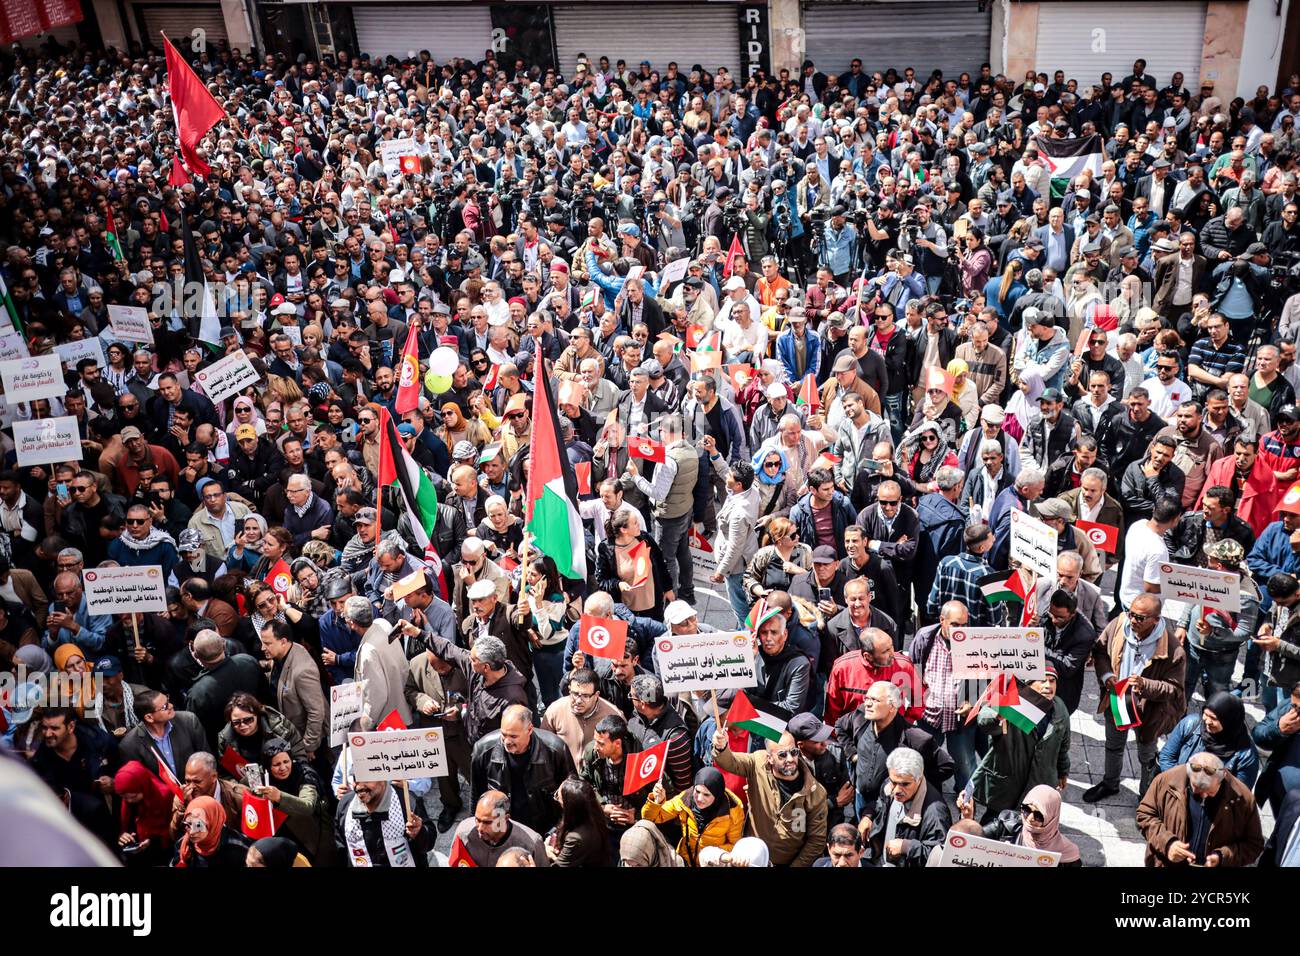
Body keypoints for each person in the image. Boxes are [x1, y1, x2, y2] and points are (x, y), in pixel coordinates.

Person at [1085, 593, 1187, 803]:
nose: (1133, 620)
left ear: (1156, 619)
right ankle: (1110, 783)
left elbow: (1175, 689)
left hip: (1150, 711)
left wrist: (1144, 685)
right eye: (1131, 614)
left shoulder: (1173, 649)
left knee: (1147, 756)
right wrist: (1107, 676)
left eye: (1140, 618)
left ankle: (1146, 798)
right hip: (1118, 700)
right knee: (1113, 745)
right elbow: (1101, 651)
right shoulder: (1118, 625)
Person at [710, 723, 828, 867]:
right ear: (770, 758)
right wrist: (721, 747)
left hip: (788, 862)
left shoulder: (815, 792)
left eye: (794, 752)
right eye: (782, 755)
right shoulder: (757, 763)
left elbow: (816, 840)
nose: (790, 759)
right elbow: (730, 761)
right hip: (751, 858)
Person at [971, 669, 1071, 820]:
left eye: (1052, 681)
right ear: (1029, 684)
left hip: (1038, 784)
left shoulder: (1060, 708)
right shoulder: (1012, 702)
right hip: (1006, 784)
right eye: (1043, 680)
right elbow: (984, 721)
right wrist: (998, 715)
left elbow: (1063, 744)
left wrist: (1063, 770)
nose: (1048, 685)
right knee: (993, 825)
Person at [1135, 751, 1264, 867]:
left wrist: (1223, 857)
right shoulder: (1165, 781)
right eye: (1197, 790)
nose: (1204, 796)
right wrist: (1168, 844)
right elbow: (1144, 815)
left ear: (1223, 776)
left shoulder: (1243, 799)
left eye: (1209, 791)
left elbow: (1254, 845)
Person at [470, 704, 575, 836]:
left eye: (513, 736)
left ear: (530, 729)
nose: (507, 741)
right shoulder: (483, 750)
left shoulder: (556, 750)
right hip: (501, 828)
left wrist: (557, 832)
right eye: (503, 734)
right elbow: (476, 795)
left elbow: (572, 799)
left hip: (543, 829)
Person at [858, 747, 952, 867]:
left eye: (905, 784)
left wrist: (907, 847)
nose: (896, 790)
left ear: (919, 778)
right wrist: (868, 815)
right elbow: (879, 804)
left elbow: (939, 856)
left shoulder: (936, 813)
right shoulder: (889, 783)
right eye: (894, 782)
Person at [640, 767, 745, 866]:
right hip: (685, 859)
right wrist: (657, 801)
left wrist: (710, 853)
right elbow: (650, 818)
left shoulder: (733, 811)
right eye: (697, 791)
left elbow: (735, 847)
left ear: (717, 795)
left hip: (711, 863)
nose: (699, 798)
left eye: (706, 795)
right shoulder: (685, 800)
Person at [1159, 692, 1260, 788]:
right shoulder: (1190, 724)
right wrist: (1181, 786)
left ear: (1228, 722)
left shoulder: (1246, 756)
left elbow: (1238, 794)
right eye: (1205, 714)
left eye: (1213, 718)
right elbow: (1166, 756)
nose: (1206, 721)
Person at [334, 775, 434, 868]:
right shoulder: (345, 805)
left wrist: (419, 833)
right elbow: (340, 849)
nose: (359, 786)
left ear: (382, 779)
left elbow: (429, 843)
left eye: (366, 779)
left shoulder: (406, 800)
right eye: (356, 779)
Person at [452, 790, 550, 868]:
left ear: (505, 818)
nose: (480, 828)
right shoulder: (464, 832)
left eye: (487, 822)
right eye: (477, 819)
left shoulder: (531, 844)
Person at [546, 778, 612, 867]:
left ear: (569, 806)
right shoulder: (594, 813)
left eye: (558, 796)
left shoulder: (576, 838)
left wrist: (547, 853)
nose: (556, 797)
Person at [171, 795, 250, 868]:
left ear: (214, 822)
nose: (191, 832)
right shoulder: (183, 846)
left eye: (198, 825)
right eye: (188, 824)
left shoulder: (238, 847)